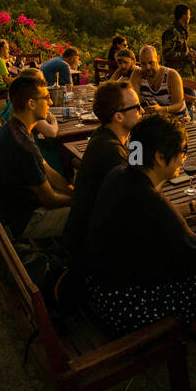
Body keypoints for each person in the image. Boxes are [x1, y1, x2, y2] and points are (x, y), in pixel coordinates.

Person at [84, 114, 196, 336]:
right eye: (182, 151)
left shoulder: (120, 175)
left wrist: (194, 206)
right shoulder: (151, 200)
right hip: (125, 306)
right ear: (160, 157)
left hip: (99, 288)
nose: (184, 157)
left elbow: (147, 214)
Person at [0, 75, 73, 241]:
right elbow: (50, 200)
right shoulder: (23, 146)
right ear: (31, 103)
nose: (51, 103)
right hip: (21, 221)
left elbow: (47, 169)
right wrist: (79, 200)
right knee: (88, 213)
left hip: (9, 208)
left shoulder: (13, 127)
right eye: (47, 98)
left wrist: (71, 189)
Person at [65, 81, 142, 262]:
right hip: (95, 256)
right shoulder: (110, 152)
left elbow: (136, 169)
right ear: (118, 117)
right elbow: (142, 200)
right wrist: (191, 207)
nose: (143, 111)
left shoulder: (103, 134)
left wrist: (138, 135)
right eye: (137, 108)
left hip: (87, 240)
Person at [129, 45, 186, 115]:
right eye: (143, 64)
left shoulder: (172, 75)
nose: (147, 67)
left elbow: (179, 105)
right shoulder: (137, 74)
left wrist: (161, 109)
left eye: (151, 63)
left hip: (177, 119)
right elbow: (133, 101)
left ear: (158, 59)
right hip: (153, 119)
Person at [161, 4, 196, 77]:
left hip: (185, 73)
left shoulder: (182, 31)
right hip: (175, 74)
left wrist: (192, 54)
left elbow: (181, 48)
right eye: (189, 15)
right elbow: (167, 54)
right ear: (184, 16)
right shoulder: (171, 31)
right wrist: (186, 55)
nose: (190, 17)